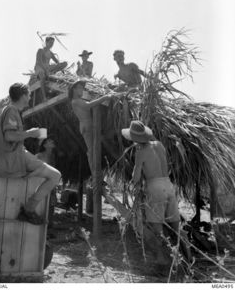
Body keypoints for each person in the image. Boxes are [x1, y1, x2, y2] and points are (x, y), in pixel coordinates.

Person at [0, 83, 61, 225]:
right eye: (28, 94)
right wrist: (30, 133)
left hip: (12, 154)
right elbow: (9, 136)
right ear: (22, 96)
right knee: (55, 175)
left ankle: (31, 174)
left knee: (43, 168)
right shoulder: (11, 111)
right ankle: (29, 209)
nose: (30, 97)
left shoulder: (9, 111)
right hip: (12, 155)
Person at [121, 120, 180, 265]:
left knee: (156, 227)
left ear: (134, 139)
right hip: (168, 184)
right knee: (176, 226)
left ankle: (160, 258)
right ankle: (185, 254)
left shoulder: (140, 152)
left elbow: (136, 175)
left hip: (154, 187)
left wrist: (133, 184)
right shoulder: (159, 145)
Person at [68, 80, 112, 172]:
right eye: (80, 88)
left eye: (83, 88)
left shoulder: (78, 100)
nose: (82, 90)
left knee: (93, 149)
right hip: (86, 126)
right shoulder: (75, 101)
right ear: (74, 89)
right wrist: (104, 98)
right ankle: (95, 173)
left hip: (87, 126)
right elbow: (88, 106)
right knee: (91, 151)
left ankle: (95, 172)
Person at [36, 137, 58, 227]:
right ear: (44, 145)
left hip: (51, 181)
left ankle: (49, 223)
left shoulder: (53, 156)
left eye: (52, 141)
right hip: (42, 182)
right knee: (42, 203)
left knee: (52, 203)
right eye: (49, 141)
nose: (52, 141)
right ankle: (41, 222)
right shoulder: (39, 156)